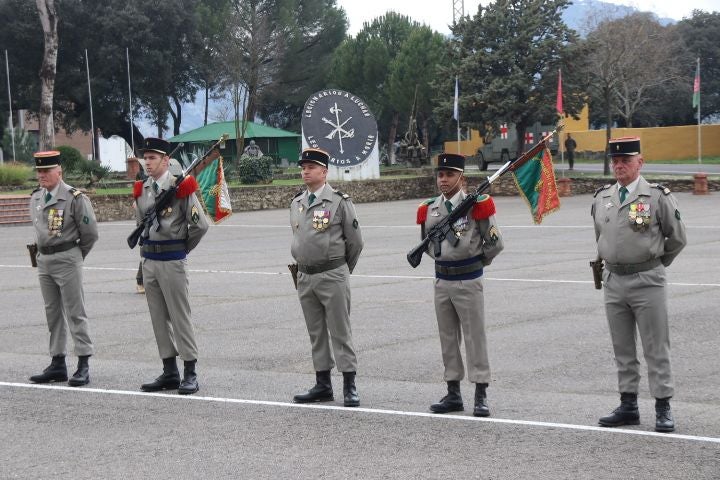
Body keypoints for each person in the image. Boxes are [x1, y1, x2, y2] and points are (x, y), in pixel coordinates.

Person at [592, 136, 686, 433]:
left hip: (648, 280)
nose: (619, 166)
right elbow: (601, 236)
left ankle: (662, 406)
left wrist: (654, 263)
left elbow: (677, 238)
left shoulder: (657, 197)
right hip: (614, 280)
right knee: (622, 347)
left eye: (626, 161)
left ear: (640, 162)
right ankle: (629, 405)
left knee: (655, 346)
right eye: (616, 161)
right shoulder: (602, 197)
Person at [416, 153, 504, 417]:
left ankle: (480, 392)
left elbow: (495, 243)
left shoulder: (477, 205)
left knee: (474, 337)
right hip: (442, 279)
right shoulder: (430, 208)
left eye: (449, 175)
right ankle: (453, 392)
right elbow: (427, 245)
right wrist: (446, 259)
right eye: (440, 175)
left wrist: (475, 262)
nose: (443, 180)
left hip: (469, 278)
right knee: (447, 338)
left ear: (461, 178)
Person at [134, 137, 209, 395]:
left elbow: (200, 225)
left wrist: (182, 248)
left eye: (153, 158)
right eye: (145, 157)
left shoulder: (181, 187)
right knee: (158, 317)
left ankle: (190, 371)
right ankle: (169, 371)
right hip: (150, 261)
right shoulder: (141, 189)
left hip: (172, 260)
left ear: (166, 161)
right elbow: (141, 225)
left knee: (179, 317)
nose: (147, 162)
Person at [290, 148, 364, 407]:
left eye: (311, 167)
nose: (305, 171)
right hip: (305, 275)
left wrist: (341, 270)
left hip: (332, 273)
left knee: (340, 331)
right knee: (316, 332)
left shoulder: (339, 201)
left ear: (324, 171)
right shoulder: (297, 202)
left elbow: (355, 242)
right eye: (303, 167)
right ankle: (322, 384)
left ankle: (349, 384)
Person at [28, 150, 98, 386]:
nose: (42, 175)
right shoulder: (36, 198)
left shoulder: (74, 198)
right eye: (39, 171)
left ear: (59, 171)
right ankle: (57, 362)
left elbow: (90, 234)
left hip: (67, 257)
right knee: (53, 313)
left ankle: (83, 363)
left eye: (46, 170)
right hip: (44, 260)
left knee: (75, 311)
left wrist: (76, 255)